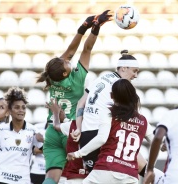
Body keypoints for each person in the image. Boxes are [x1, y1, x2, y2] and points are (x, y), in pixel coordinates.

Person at [36, 10, 113, 184]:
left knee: (52, 177)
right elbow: (87, 48)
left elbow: (70, 51)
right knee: (77, 177)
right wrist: (96, 28)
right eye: (67, 62)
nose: (69, 60)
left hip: (51, 131)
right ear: (65, 72)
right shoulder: (77, 80)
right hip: (70, 131)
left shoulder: (51, 77)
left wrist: (83, 27)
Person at [70, 50, 164, 182]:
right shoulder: (119, 88)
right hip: (104, 134)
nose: (135, 75)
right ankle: (167, 180)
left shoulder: (101, 78)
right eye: (134, 71)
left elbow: (81, 103)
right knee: (140, 168)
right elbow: (125, 116)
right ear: (124, 68)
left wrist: (78, 128)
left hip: (86, 135)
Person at [70, 79, 147, 183]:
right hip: (130, 175)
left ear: (111, 96)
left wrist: (77, 154)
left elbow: (101, 138)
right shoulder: (143, 120)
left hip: (106, 169)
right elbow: (157, 139)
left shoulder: (108, 112)